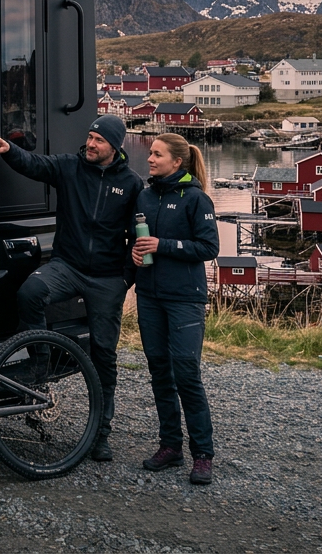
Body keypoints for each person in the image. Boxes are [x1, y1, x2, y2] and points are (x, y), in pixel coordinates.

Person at [0, 115, 143, 462]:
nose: (90, 144)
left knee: (104, 354)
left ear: (114, 147)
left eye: (99, 140)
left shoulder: (131, 184)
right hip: (67, 266)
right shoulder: (70, 167)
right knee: (30, 293)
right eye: (89, 137)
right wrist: (8, 149)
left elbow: (140, 237)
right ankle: (40, 364)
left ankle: (101, 433)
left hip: (106, 278)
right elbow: (35, 164)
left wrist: (125, 279)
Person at [131, 132, 218, 485]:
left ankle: (203, 455)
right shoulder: (145, 195)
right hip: (150, 296)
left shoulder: (196, 198)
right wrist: (134, 252)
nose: (150, 159)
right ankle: (170, 446)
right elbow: (136, 241)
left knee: (186, 373)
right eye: (150, 153)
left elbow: (208, 247)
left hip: (185, 297)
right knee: (159, 371)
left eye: (157, 155)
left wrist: (162, 244)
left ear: (176, 162)